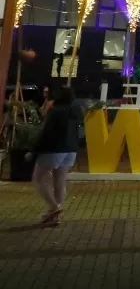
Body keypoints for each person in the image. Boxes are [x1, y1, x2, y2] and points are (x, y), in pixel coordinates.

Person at [29, 86, 83, 227]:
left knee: (38, 179)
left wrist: (34, 150)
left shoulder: (55, 111)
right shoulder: (76, 110)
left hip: (54, 149)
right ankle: (55, 217)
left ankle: (54, 207)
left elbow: (46, 133)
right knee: (60, 182)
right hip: (70, 149)